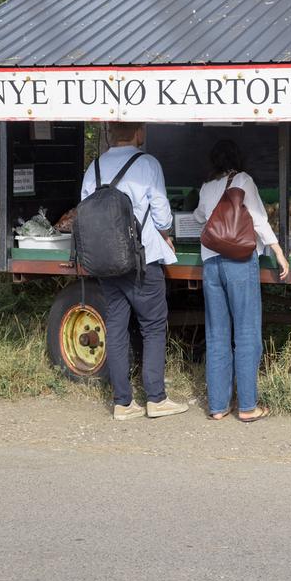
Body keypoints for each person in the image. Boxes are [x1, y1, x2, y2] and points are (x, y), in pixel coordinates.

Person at [81, 122, 188, 421]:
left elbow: (84, 210)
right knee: (152, 326)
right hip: (142, 260)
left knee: (116, 326)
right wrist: (166, 233)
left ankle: (123, 403)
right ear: (139, 133)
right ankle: (156, 398)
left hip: (106, 260)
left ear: (111, 135)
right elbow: (161, 211)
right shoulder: (147, 164)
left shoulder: (95, 167)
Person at [194, 139, 290, 422]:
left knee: (216, 334)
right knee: (246, 332)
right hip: (239, 262)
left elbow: (200, 216)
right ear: (238, 158)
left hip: (211, 263)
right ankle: (247, 406)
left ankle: (218, 406)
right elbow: (259, 219)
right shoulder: (243, 180)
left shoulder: (207, 186)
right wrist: (278, 252)